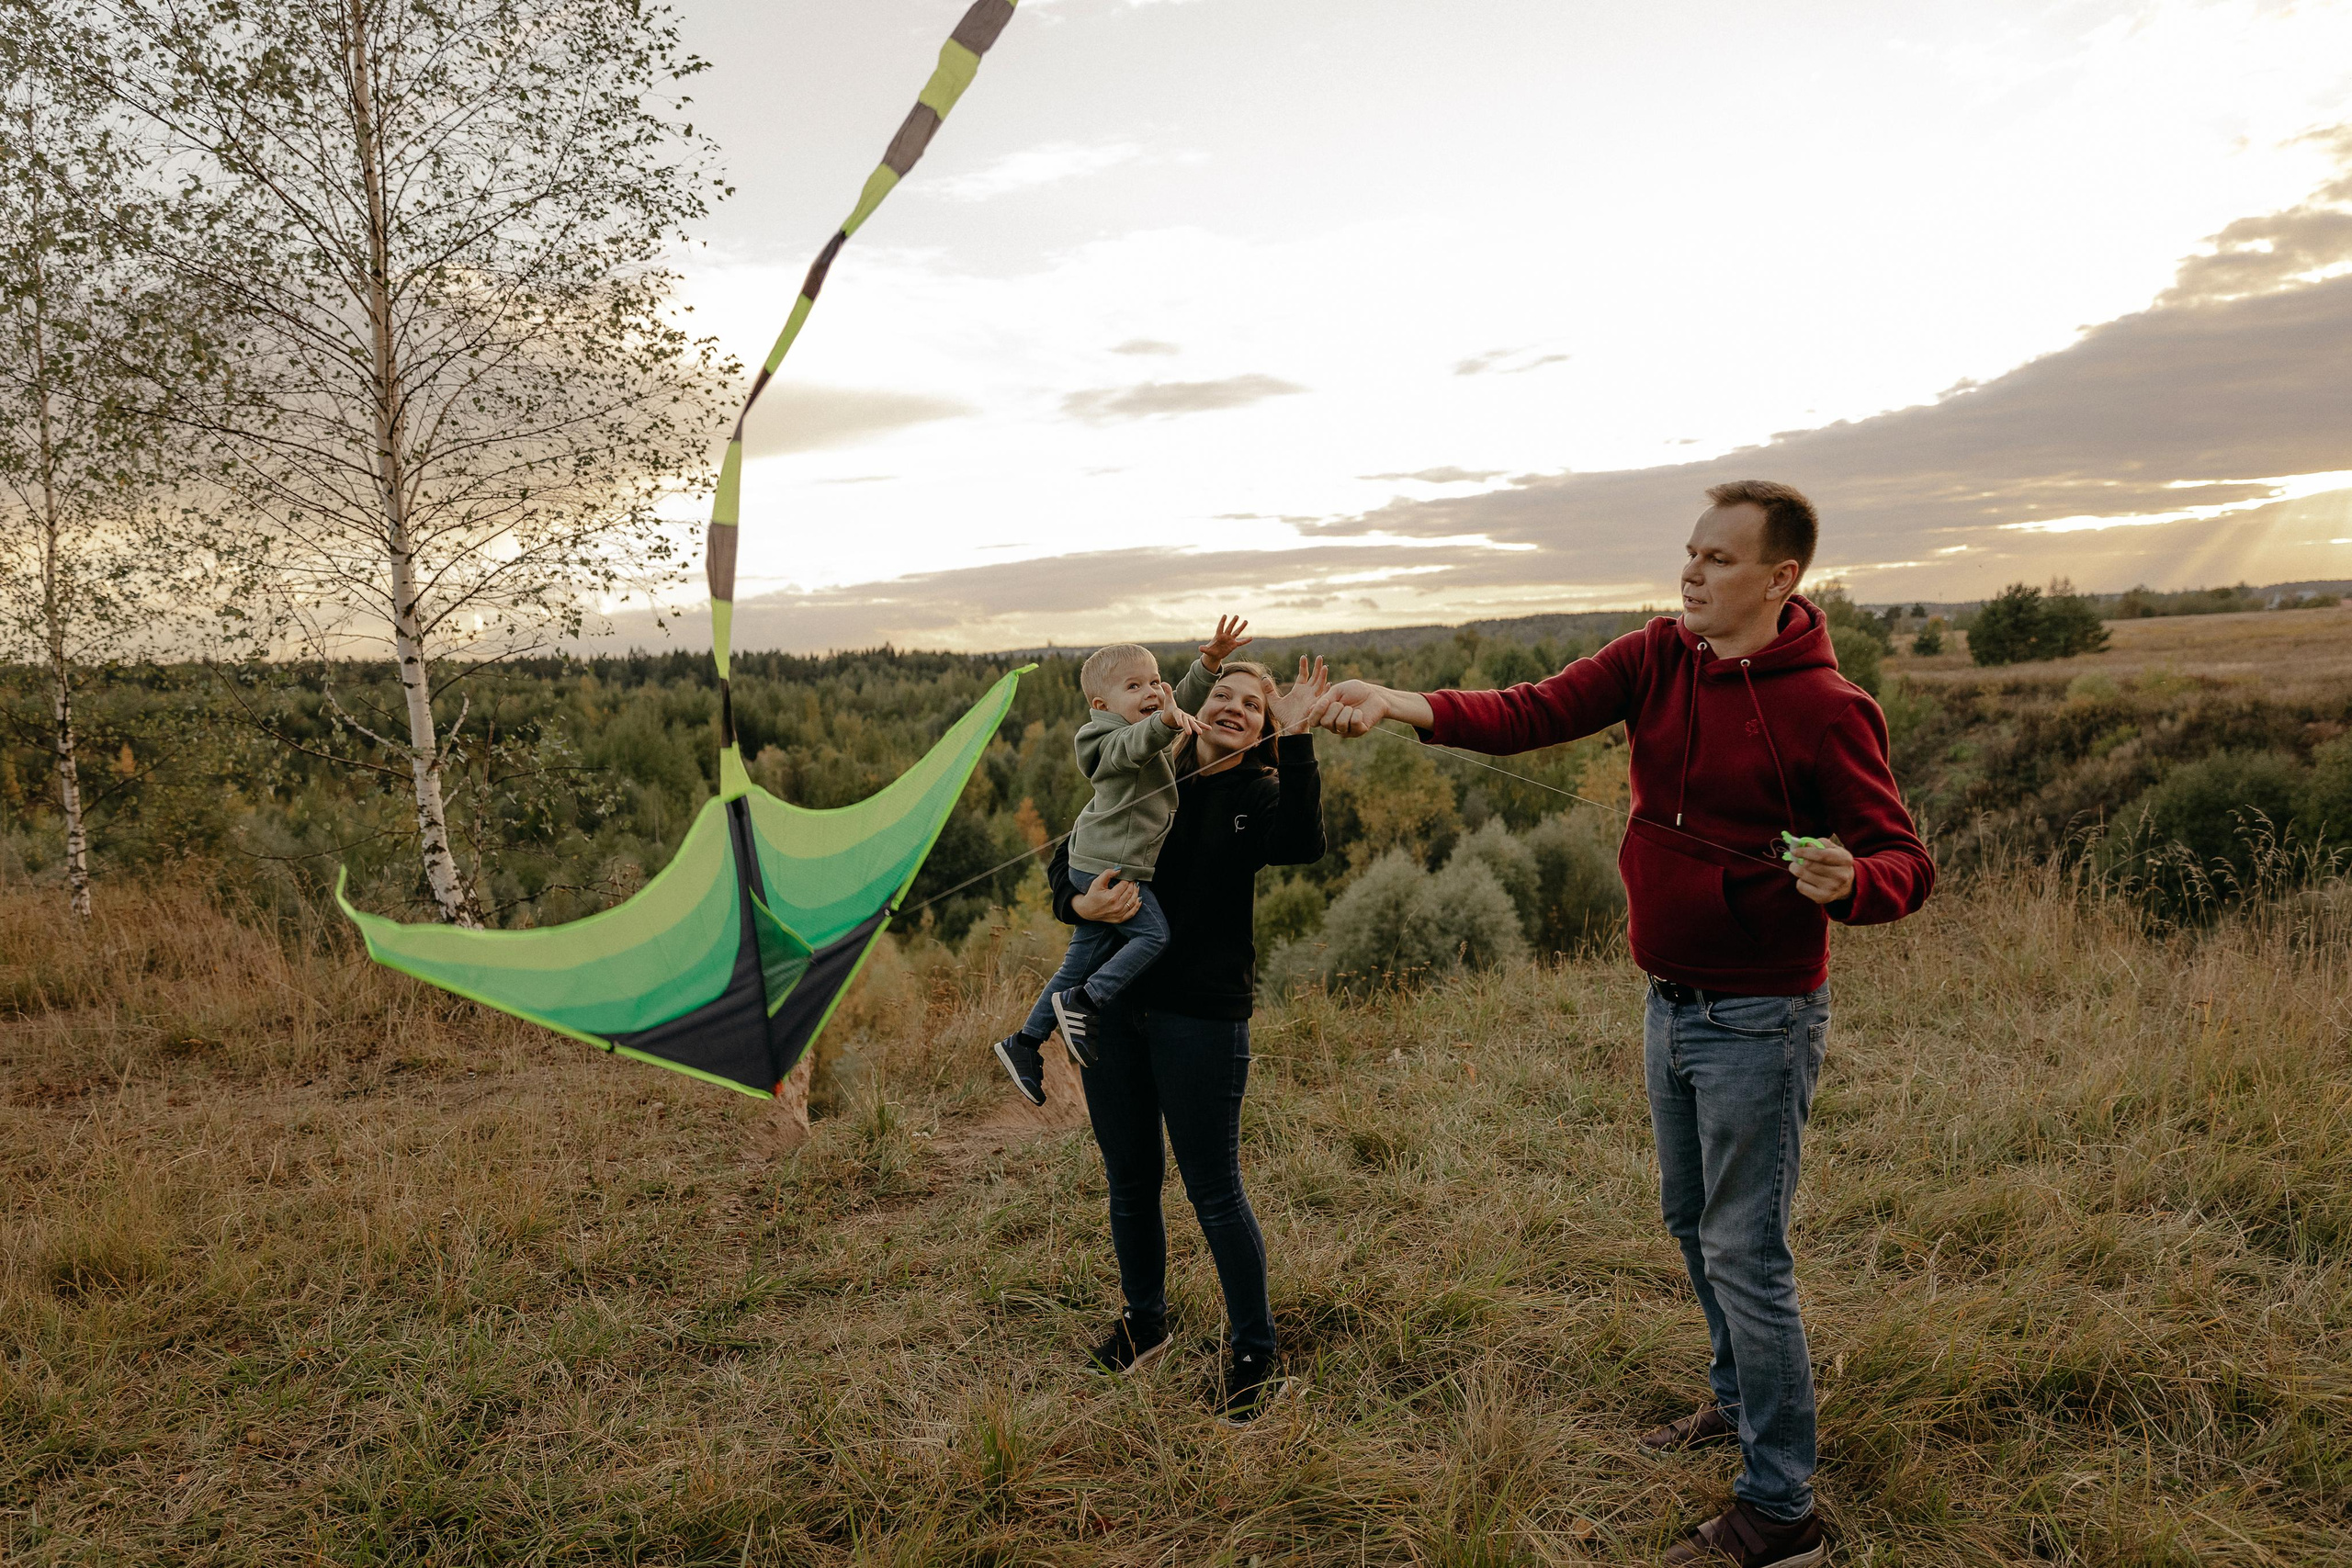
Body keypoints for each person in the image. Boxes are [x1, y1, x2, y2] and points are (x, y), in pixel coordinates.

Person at [1320, 480, 1934, 1567]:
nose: (1691, 572)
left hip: (1759, 1018)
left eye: (1718, 559)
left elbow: (1903, 861)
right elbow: (1529, 712)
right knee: (1690, 1223)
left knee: (1747, 1251)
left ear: (1780, 579)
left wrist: (1855, 882)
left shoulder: (1829, 706)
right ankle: (1737, 1403)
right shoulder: (1652, 656)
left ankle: (1781, 1511)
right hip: (1668, 998)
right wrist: (1403, 702)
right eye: (1688, 552)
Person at [1046, 652, 1332, 1425]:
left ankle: (1254, 1351)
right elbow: (1062, 869)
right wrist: (1081, 907)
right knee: (1130, 1181)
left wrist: (1300, 739)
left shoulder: (1259, 791)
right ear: (1200, 704)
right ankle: (1145, 1323)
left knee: (1212, 1188)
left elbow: (1303, 841)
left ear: (1263, 728)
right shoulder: (1144, 769)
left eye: (1255, 705)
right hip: (1112, 1011)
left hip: (1201, 1018)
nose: (1237, 707)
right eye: (1226, 694)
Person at [989, 615, 1254, 1103]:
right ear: (1101, 704)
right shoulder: (1100, 740)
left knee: (1077, 962)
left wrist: (1208, 665)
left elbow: (1172, 710)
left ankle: (1024, 1042)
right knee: (1153, 935)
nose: (1151, 692)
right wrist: (1164, 721)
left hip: (1107, 867)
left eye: (1155, 681)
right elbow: (1136, 744)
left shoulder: (1147, 719)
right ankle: (1085, 1003)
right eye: (1135, 686)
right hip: (1103, 869)